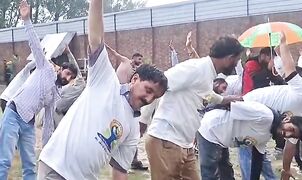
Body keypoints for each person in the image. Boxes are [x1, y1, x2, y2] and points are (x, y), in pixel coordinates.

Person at [37, 1, 168, 180]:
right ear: (135, 79)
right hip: (57, 167)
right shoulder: (106, 81)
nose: (149, 98)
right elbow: (96, 39)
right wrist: (97, 3)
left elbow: (121, 171)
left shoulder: (132, 128)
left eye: (155, 96)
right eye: (148, 89)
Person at [145, 35, 244, 180]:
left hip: (185, 145)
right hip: (165, 141)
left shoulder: (209, 74)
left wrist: (226, 100)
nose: (236, 65)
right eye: (236, 60)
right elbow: (157, 83)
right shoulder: (196, 68)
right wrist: (143, 119)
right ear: (229, 58)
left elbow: (206, 95)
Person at [0, 1, 78, 179]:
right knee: (4, 161)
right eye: (66, 73)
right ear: (60, 69)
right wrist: (27, 20)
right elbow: (35, 45)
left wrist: (47, 148)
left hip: (28, 124)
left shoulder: (55, 95)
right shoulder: (46, 68)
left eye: (70, 78)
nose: (66, 78)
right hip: (13, 113)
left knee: (30, 167)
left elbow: (49, 123)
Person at [243, 32, 302, 180]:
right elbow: (290, 70)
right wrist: (283, 44)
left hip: (262, 119)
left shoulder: (298, 126)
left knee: (259, 152)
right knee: (248, 152)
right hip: (250, 106)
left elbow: (290, 146)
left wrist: (286, 170)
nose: (288, 134)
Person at [197, 100, 302, 180]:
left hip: (222, 139)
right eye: (291, 129)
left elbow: (257, 161)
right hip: (210, 129)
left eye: (291, 136)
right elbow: (230, 105)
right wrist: (204, 110)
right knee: (210, 173)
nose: (287, 134)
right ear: (287, 119)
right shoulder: (264, 115)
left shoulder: (267, 135)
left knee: (226, 172)